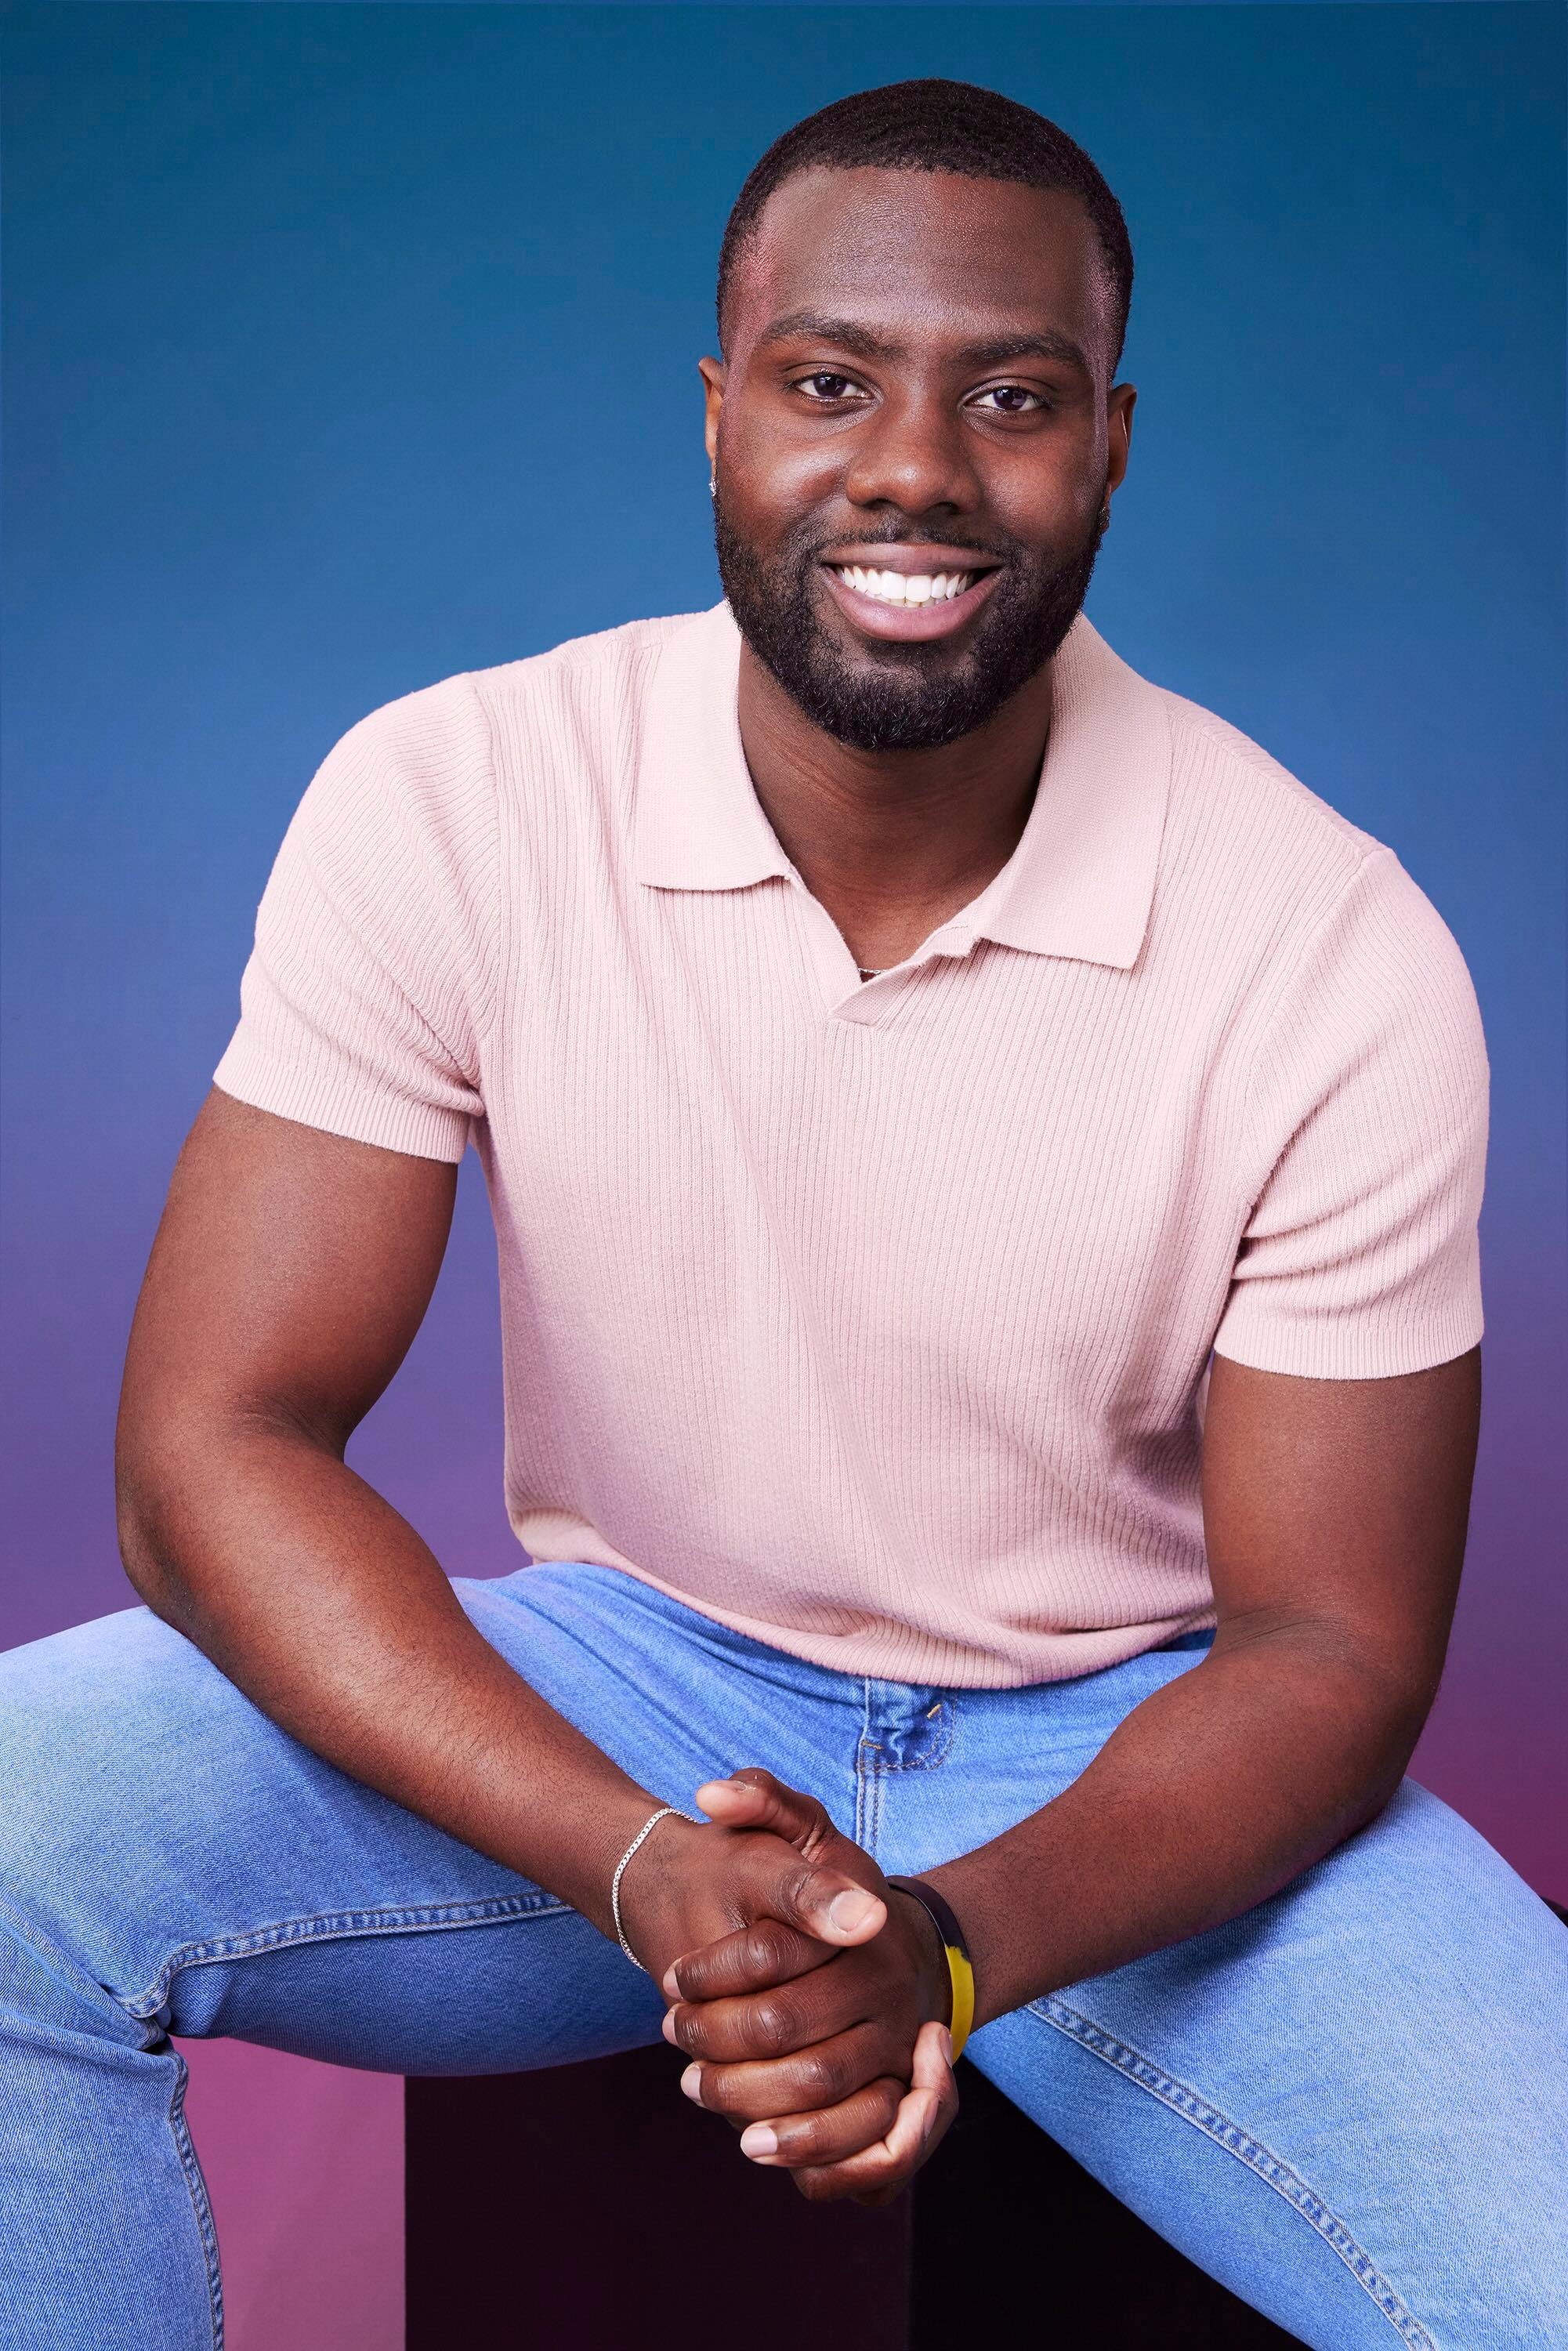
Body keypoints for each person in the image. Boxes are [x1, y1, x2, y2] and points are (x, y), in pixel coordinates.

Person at [2, 76, 1563, 2351]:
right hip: (642, 1671)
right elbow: (209, 1453)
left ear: (1108, 442)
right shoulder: (457, 793)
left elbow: (1328, 1649)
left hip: (1119, 1739)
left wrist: (942, 1943)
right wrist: (640, 1862)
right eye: (830, 382)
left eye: (1008, 398)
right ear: (720, 413)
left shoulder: (1327, 939)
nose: (914, 467)